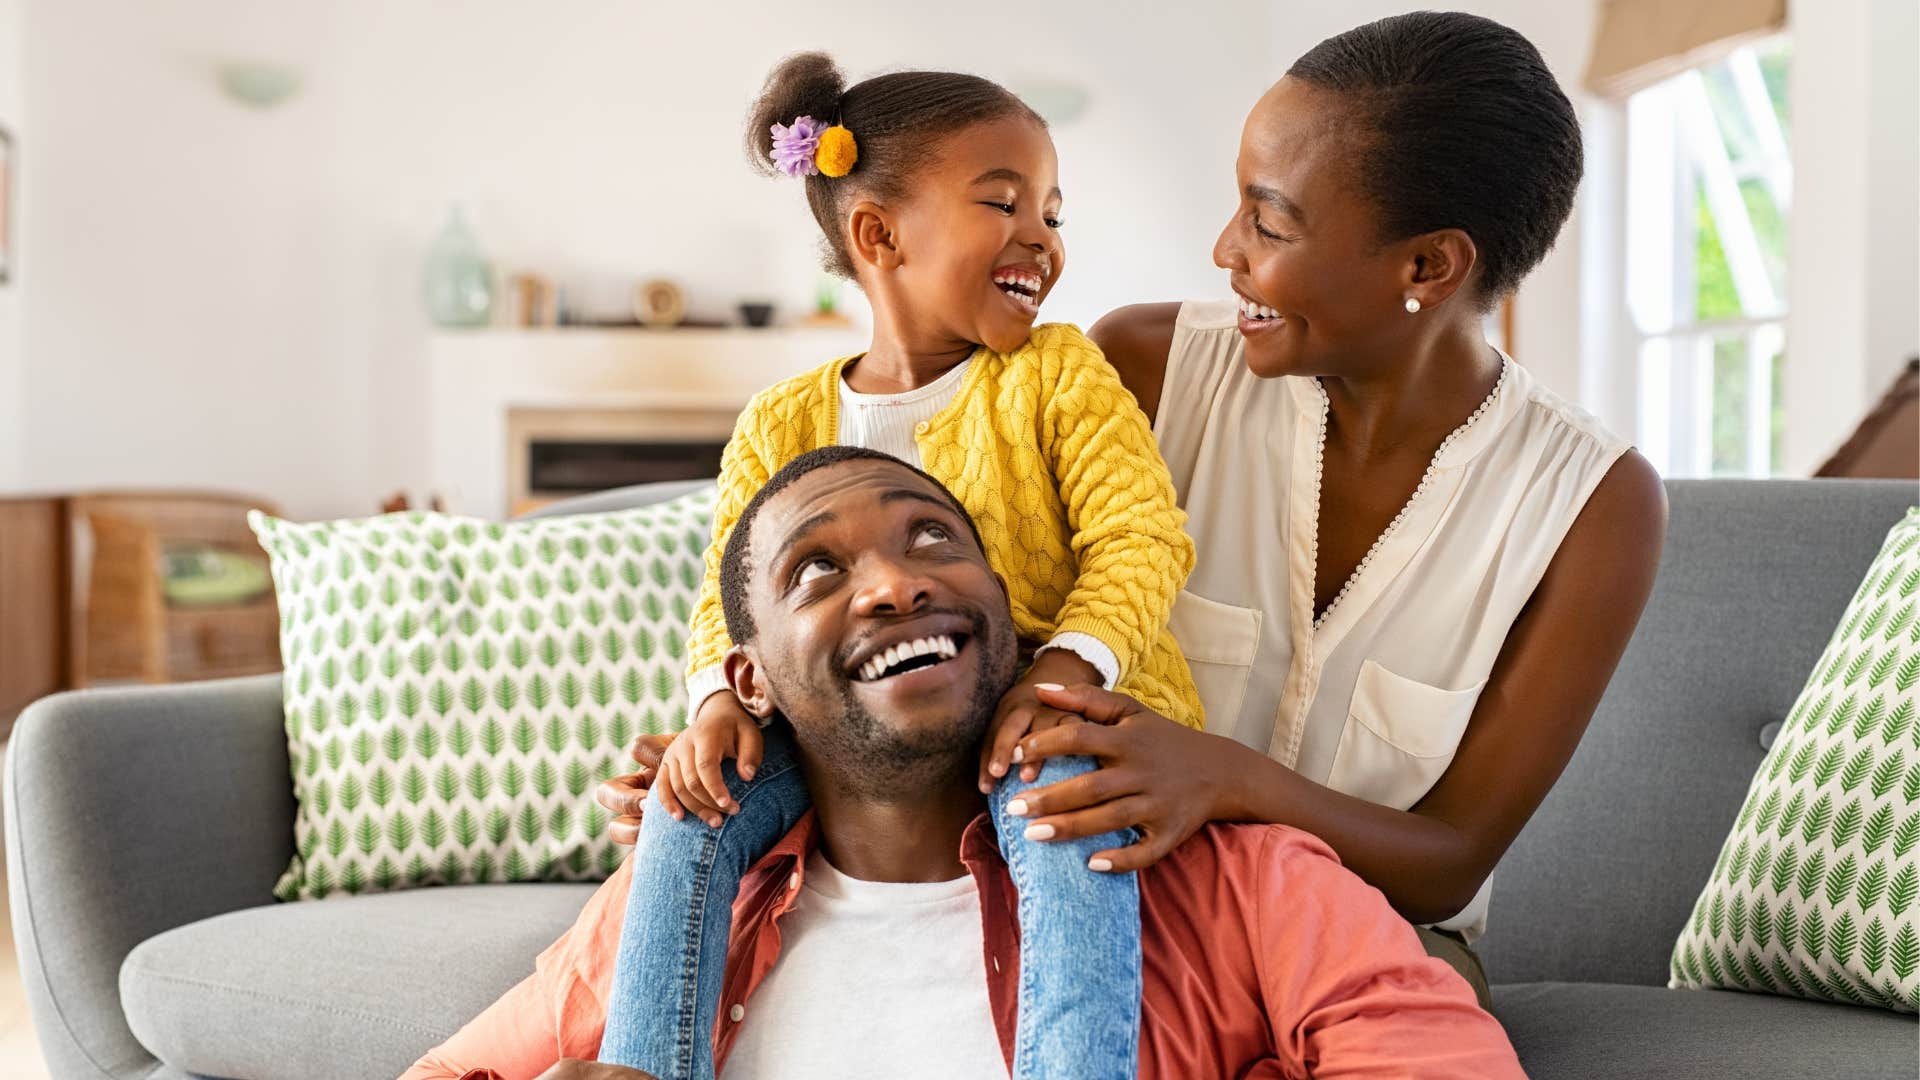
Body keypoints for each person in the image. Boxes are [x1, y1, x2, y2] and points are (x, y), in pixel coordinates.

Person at [600, 12, 1669, 1009]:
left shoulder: (1592, 507)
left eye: (1269, 219)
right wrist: (752, 723)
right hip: (1106, 895)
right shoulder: (1147, 365)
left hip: (1363, 937)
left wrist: (1223, 780)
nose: (1224, 249)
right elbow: (938, 623)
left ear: (1428, 267)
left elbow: (1449, 861)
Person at [402, 447, 1525, 1080]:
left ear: (1012, 622)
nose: (894, 583)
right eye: (817, 572)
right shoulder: (674, 914)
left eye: (933, 538)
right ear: (749, 684)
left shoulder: (1246, 884)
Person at [601, 54, 1202, 1080]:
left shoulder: (1057, 373)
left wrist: (1066, 671)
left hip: (1053, 711)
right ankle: (641, 1066)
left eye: (1053, 212)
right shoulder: (781, 420)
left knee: (1057, 795)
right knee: (686, 802)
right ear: (879, 235)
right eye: (1002, 203)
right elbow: (728, 592)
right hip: (856, 741)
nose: (1043, 239)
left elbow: (1142, 537)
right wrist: (716, 707)